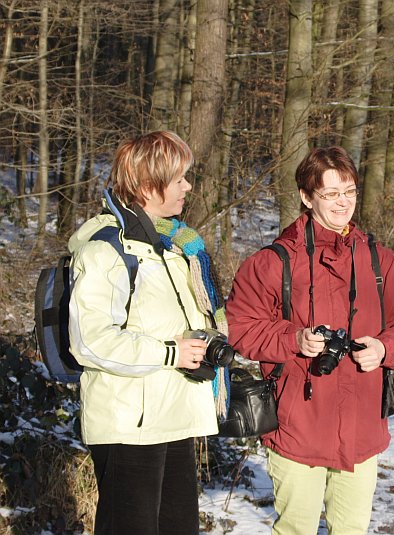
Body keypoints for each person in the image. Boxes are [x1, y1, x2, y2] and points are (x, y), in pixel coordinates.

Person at [226, 146, 394, 535]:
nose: (342, 203)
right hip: (297, 425)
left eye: (349, 191)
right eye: (331, 194)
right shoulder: (273, 262)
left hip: (362, 427)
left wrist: (386, 349)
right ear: (306, 197)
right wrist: (293, 338)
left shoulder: (378, 259)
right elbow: (243, 327)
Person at [69, 131, 225, 535]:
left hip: (174, 416)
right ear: (145, 186)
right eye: (178, 179)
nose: (187, 186)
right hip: (129, 424)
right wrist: (171, 353)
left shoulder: (173, 247)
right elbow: (90, 341)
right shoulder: (104, 250)